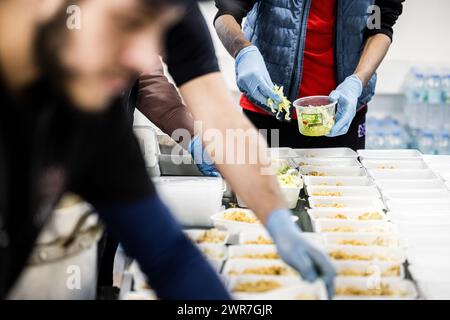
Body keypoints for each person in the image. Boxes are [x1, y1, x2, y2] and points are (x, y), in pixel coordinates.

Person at [0, 0, 335, 299]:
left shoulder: (89, 118)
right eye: (128, 22)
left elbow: (169, 257)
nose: (145, 60)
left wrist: (276, 217)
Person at [214, 0, 404, 150]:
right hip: (267, 111)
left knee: (338, 195)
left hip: (342, 114)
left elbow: (380, 25)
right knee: (260, 194)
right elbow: (227, 13)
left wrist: (358, 80)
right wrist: (243, 51)